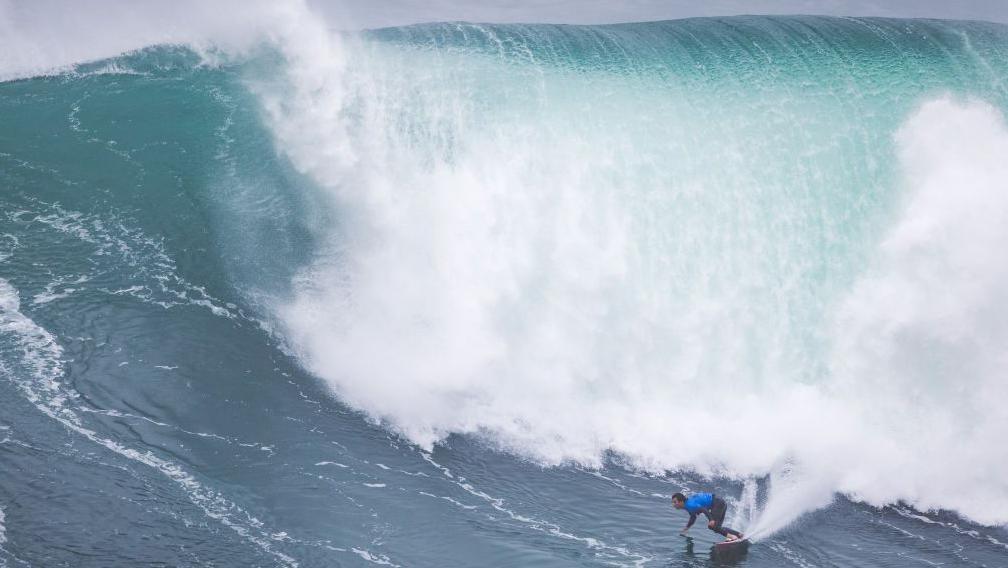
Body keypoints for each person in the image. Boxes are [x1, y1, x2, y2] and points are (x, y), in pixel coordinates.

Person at [671, 492, 743, 541]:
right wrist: (686, 528)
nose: (673, 504)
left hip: (717, 503)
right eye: (673, 502)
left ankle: (732, 537)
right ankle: (739, 534)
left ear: (681, 502)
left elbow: (703, 509)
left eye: (675, 502)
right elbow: (693, 517)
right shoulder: (688, 505)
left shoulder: (690, 505)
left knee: (712, 526)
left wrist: (711, 520)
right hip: (720, 502)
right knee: (717, 528)